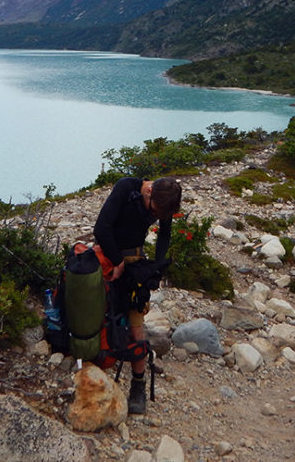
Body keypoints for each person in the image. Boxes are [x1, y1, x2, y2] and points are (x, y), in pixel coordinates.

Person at [93, 176, 182, 414]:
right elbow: (101, 228)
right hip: (107, 251)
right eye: (153, 209)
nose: (155, 214)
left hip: (134, 257)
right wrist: (117, 261)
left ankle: (138, 384)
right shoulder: (126, 188)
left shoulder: (164, 201)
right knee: (97, 311)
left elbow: (164, 233)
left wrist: (157, 265)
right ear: (149, 190)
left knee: (136, 321)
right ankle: (91, 364)